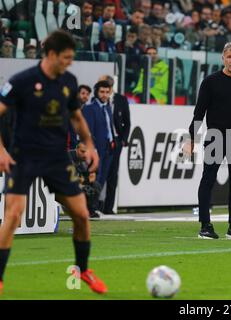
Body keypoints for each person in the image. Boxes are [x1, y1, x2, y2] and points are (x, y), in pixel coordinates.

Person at [0, 30, 107, 294]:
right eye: (66, 57)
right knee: (13, 215)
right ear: (51, 54)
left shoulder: (68, 81)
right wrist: (1, 151)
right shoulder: (22, 81)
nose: (70, 62)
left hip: (57, 158)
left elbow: (77, 117)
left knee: (82, 215)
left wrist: (90, 145)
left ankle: (83, 270)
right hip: (23, 156)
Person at [182, 41, 231, 240]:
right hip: (216, 138)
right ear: (222, 58)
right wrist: (192, 139)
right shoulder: (210, 82)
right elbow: (199, 113)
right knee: (208, 180)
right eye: (230, 57)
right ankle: (205, 226)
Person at [98, 75, 130, 215]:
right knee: (100, 174)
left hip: (116, 141)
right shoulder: (97, 102)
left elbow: (127, 121)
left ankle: (109, 207)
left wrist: (123, 140)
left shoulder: (121, 100)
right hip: (102, 142)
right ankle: (95, 205)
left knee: (112, 174)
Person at [82, 80, 115, 214]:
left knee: (102, 178)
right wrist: (92, 148)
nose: (104, 95)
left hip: (108, 147)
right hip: (96, 149)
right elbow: (88, 131)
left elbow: (109, 127)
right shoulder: (90, 109)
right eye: (102, 92)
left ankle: (94, 206)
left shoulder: (107, 107)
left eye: (107, 92)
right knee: (94, 177)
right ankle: (90, 207)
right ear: (96, 92)